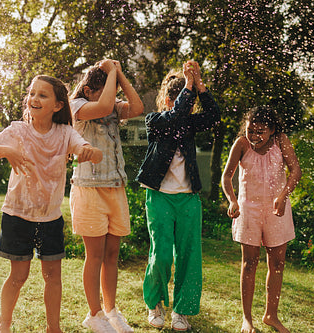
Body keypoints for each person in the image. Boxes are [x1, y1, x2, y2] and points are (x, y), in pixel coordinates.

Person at [0, 75, 102, 333]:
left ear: (57, 105)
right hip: (17, 215)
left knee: (53, 276)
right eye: (32, 93)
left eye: (43, 95)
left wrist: (91, 152)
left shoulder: (66, 133)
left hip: (50, 219)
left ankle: (53, 328)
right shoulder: (17, 131)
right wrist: (7, 151)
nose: (34, 99)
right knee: (18, 276)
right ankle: (4, 325)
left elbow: (91, 151)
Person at [136, 60, 220, 331]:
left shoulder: (191, 123)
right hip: (159, 196)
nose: (177, 103)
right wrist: (188, 85)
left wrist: (201, 88)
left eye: (181, 98)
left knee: (188, 255)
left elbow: (214, 116)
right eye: (172, 98)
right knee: (161, 254)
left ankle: (181, 311)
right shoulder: (156, 121)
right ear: (167, 99)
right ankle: (155, 303)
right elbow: (175, 116)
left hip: (188, 198)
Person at [69, 59, 144, 333]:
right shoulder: (77, 107)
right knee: (95, 255)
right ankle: (94, 313)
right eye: (105, 91)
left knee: (112, 254)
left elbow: (137, 108)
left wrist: (120, 74)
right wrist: (111, 71)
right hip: (89, 188)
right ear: (88, 90)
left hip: (116, 187)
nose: (111, 100)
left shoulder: (111, 107)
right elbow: (102, 106)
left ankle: (111, 310)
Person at [221, 106, 301, 333]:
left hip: (277, 208)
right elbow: (226, 176)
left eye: (260, 131)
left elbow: (296, 170)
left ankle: (271, 315)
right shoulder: (241, 144)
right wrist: (232, 201)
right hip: (249, 210)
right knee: (249, 264)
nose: (254, 136)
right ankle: (247, 319)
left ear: (272, 130)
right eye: (250, 130)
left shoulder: (281, 141)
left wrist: (284, 195)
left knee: (277, 263)